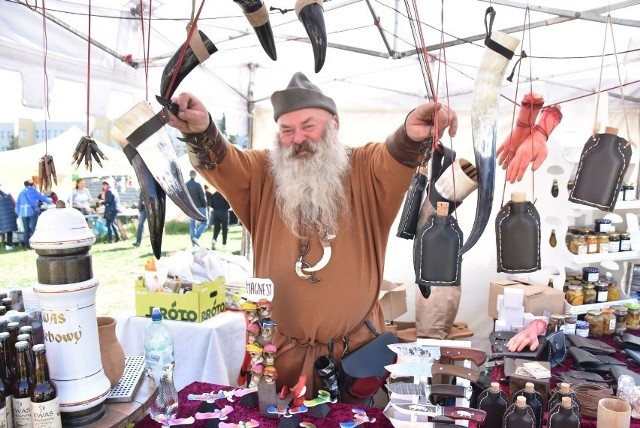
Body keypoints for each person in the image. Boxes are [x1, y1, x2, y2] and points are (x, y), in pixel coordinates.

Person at [167, 72, 457, 403]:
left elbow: (392, 156)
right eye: (287, 131)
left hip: (354, 360)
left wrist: (410, 134)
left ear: (333, 124)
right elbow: (227, 163)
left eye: (308, 126)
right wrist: (203, 131)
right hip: (283, 360)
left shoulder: (363, 168)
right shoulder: (263, 173)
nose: (298, 139)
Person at [15, 179, 53, 249]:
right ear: (32, 184)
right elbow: (43, 198)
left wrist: (19, 213)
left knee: (26, 230)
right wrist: (52, 202)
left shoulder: (21, 192)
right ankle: (34, 245)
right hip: (32, 212)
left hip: (23, 213)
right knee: (34, 228)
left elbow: (17, 203)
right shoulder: (33, 191)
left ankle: (26, 246)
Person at [186, 169, 207, 247]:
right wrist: (205, 205)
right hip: (200, 206)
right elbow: (202, 196)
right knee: (204, 223)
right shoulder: (198, 185)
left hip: (191, 207)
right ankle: (196, 237)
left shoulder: (186, 185)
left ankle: (193, 243)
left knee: (192, 225)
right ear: (195, 175)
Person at [99, 178, 120, 243]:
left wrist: (101, 202)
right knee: (112, 224)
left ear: (106, 185)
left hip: (110, 210)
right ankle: (117, 237)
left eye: (103, 185)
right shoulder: (113, 190)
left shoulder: (109, 191)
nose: (103, 187)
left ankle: (110, 239)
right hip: (115, 209)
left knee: (109, 225)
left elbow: (108, 201)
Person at [0, 184, 18, 251]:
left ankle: (4, 244)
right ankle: (8, 245)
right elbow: (14, 203)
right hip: (9, 215)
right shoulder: (7, 192)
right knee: (9, 231)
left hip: (2, 216)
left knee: (3, 230)